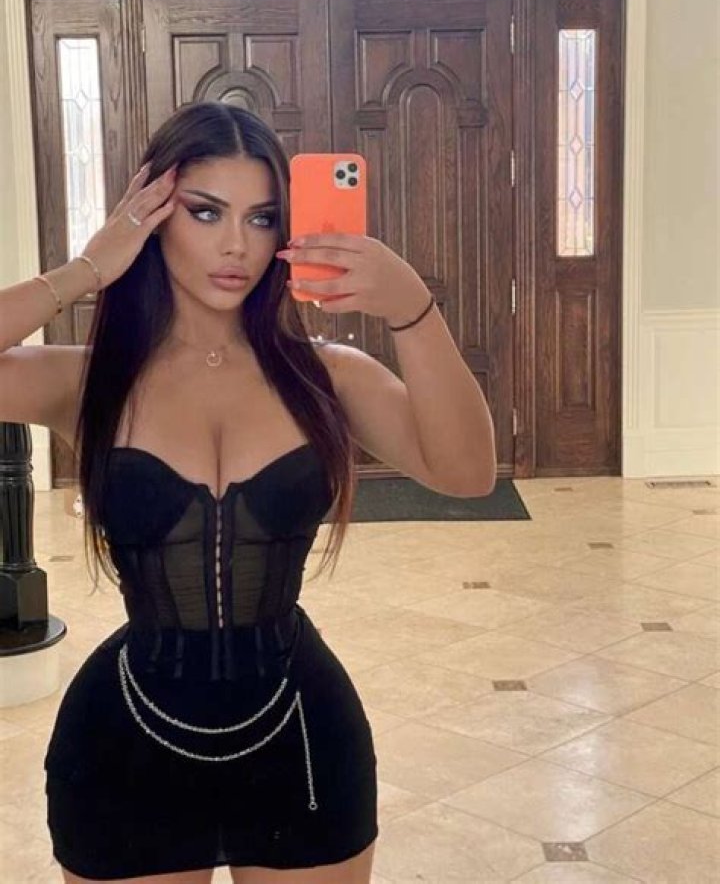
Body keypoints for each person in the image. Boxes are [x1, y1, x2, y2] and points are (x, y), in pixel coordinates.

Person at [0, 101, 496, 883]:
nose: (237, 244)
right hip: (125, 745)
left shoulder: (326, 375)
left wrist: (411, 307)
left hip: (302, 739)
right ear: (153, 217)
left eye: (262, 218)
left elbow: (468, 471)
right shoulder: (88, 380)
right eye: (205, 212)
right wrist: (87, 269)